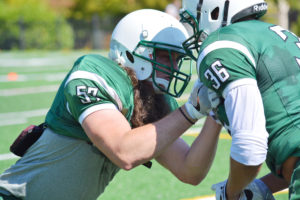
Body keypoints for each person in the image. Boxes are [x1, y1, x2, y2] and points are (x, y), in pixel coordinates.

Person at [0, 9, 222, 200]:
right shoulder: (95, 72)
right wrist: (190, 111)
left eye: (177, 59)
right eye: (165, 56)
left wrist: (215, 114)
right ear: (133, 50)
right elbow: (123, 151)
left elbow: (189, 171)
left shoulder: (153, 98)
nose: (173, 67)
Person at [180, 0, 300, 199]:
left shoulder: (222, 43)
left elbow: (250, 146)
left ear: (214, 11)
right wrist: (260, 187)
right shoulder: (282, 35)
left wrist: (231, 193)